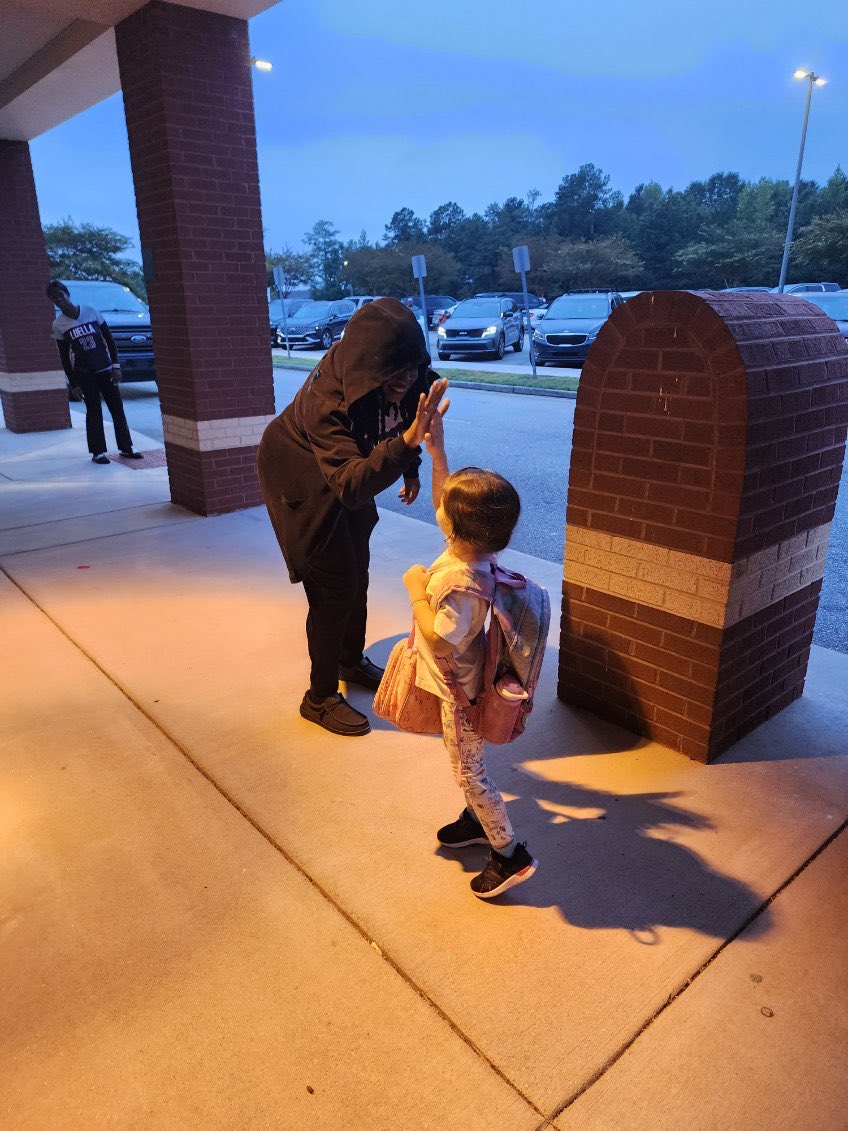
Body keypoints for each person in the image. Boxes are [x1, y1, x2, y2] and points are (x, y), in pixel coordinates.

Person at [257, 296, 447, 738]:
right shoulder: (327, 402)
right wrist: (405, 448)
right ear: (368, 368)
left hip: (350, 465)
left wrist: (411, 463)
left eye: (411, 368)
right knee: (334, 582)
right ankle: (319, 697)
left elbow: (405, 420)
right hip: (297, 474)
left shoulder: (413, 376)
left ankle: (348, 659)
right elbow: (349, 484)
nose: (405, 381)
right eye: (393, 373)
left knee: (357, 567)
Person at [401, 408, 539, 899]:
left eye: (445, 507)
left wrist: (416, 589)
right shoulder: (474, 552)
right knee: (467, 767)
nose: (438, 506)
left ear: (456, 526)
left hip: (460, 693)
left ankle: (508, 853)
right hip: (460, 681)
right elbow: (446, 497)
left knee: (468, 769)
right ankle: (475, 818)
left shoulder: (462, 584)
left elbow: (439, 639)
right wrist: (437, 452)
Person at [47, 280, 142, 464]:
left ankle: (127, 447)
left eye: (61, 296)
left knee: (117, 408)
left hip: (106, 369)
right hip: (84, 373)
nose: (59, 300)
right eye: (54, 299)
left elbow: (109, 339)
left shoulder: (90, 311)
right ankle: (98, 452)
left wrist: (116, 366)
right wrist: (73, 383)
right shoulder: (59, 325)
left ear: (67, 294)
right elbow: (64, 356)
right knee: (94, 410)